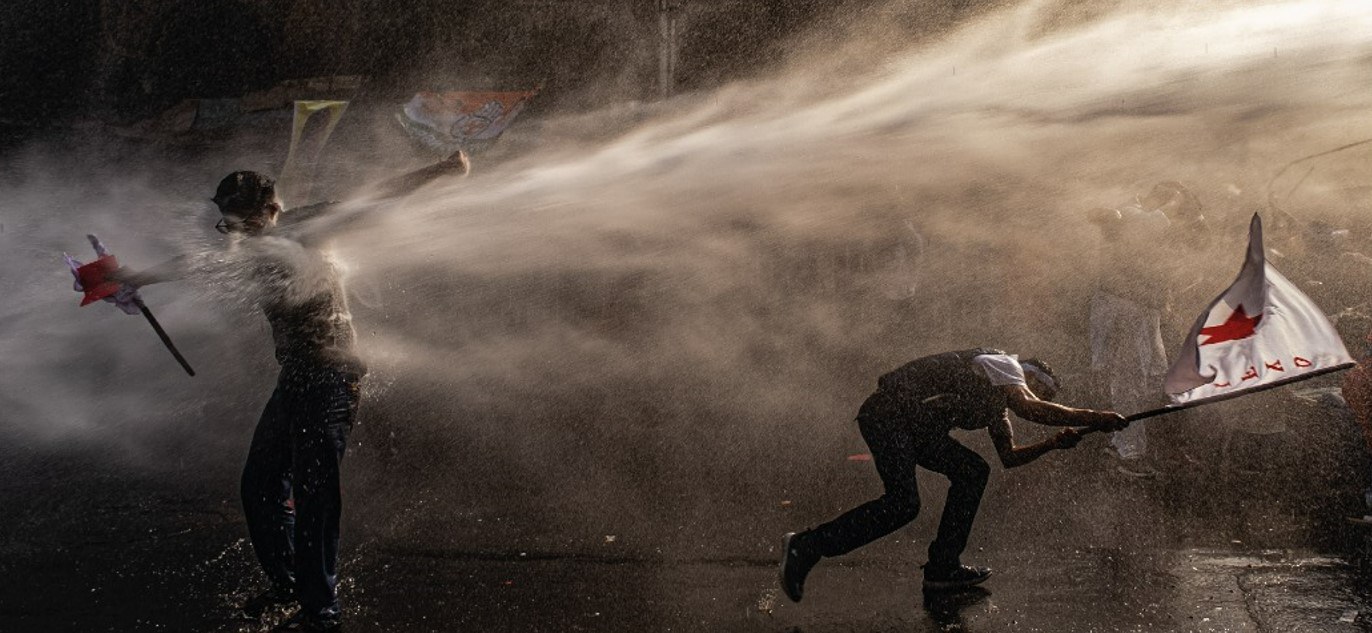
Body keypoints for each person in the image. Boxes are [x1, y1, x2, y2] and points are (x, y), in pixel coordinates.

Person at [111, 151, 470, 631]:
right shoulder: (248, 244)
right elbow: (196, 262)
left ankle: (320, 611)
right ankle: (288, 587)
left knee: (314, 496)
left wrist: (441, 170)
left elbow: (375, 200)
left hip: (330, 376)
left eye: (243, 220)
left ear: (273, 207)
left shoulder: (308, 225)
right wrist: (137, 278)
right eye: (228, 224)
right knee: (259, 487)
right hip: (296, 377)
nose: (236, 232)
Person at [778, 349, 1126, 601]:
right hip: (888, 415)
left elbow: (1010, 457)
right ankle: (805, 546)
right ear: (1027, 373)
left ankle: (943, 567)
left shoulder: (997, 406)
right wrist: (1096, 417)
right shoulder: (1004, 364)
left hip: (913, 429)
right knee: (903, 504)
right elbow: (1029, 407)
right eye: (1037, 388)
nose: (1036, 395)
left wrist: (1053, 443)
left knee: (974, 471)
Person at [1086, 181, 1207, 477]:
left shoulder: (1159, 226)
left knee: (1154, 384)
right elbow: (1106, 217)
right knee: (1129, 383)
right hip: (1124, 311)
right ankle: (1127, 453)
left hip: (1145, 313)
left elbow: (1180, 260)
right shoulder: (1136, 215)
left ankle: (1147, 448)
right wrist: (1109, 216)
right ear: (1163, 199)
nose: (1184, 214)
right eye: (1180, 204)